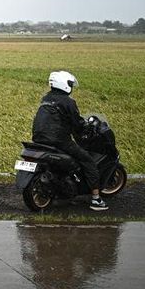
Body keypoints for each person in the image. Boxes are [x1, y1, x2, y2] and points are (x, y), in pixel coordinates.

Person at [32, 71, 108, 211]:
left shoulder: (46, 98)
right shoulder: (68, 102)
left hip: (38, 138)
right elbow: (77, 123)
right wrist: (85, 128)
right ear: (64, 85)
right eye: (70, 84)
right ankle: (96, 199)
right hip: (58, 141)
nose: (71, 86)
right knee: (87, 160)